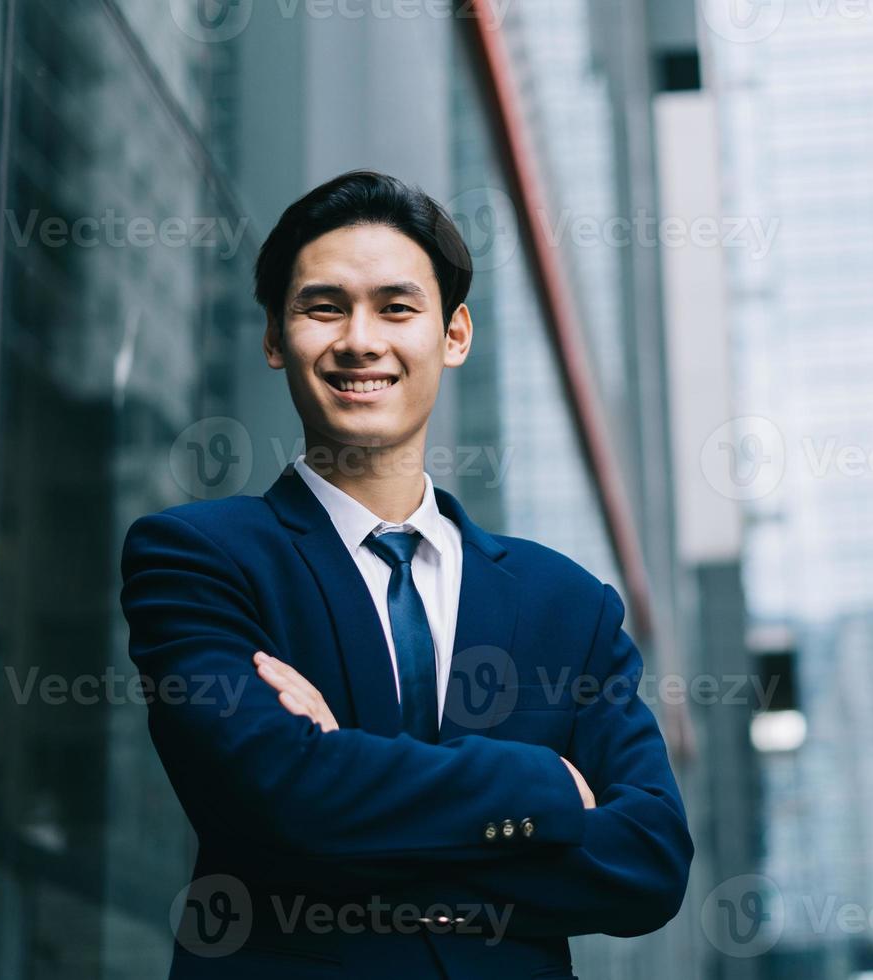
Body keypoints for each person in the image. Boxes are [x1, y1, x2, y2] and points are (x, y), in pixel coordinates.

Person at [119, 169, 693, 978]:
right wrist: (547, 789)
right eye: (324, 307)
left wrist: (346, 783)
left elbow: (650, 860)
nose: (361, 339)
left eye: (396, 307)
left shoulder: (570, 607)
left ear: (454, 335)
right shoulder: (198, 559)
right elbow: (277, 795)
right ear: (276, 337)